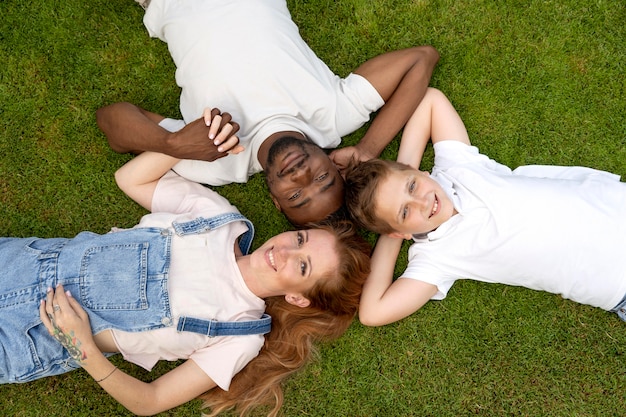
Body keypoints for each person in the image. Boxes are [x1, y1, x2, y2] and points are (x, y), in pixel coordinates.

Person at [1, 112, 371, 417]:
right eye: (301, 239)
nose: (286, 251)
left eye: (302, 268)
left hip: (33, 337)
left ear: (299, 298)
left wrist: (82, 347)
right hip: (22, 262)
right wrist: (183, 144)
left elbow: (150, 401)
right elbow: (130, 178)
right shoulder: (220, 219)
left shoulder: (240, 335)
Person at [96, 0, 440, 226]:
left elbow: (111, 119)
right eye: (322, 179)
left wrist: (172, 143)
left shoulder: (216, 163)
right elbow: (421, 59)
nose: (302, 176)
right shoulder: (335, 116)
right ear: (336, 166)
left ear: (275, 201)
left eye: (295, 196)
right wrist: (367, 150)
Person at [344, 87, 626, 327]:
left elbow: (430, 100)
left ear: (421, 174)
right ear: (399, 231)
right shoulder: (435, 259)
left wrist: (406, 169)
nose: (422, 202)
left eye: (412, 187)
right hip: (618, 281)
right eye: (405, 212)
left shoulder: (457, 167)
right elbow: (373, 312)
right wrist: (391, 236)